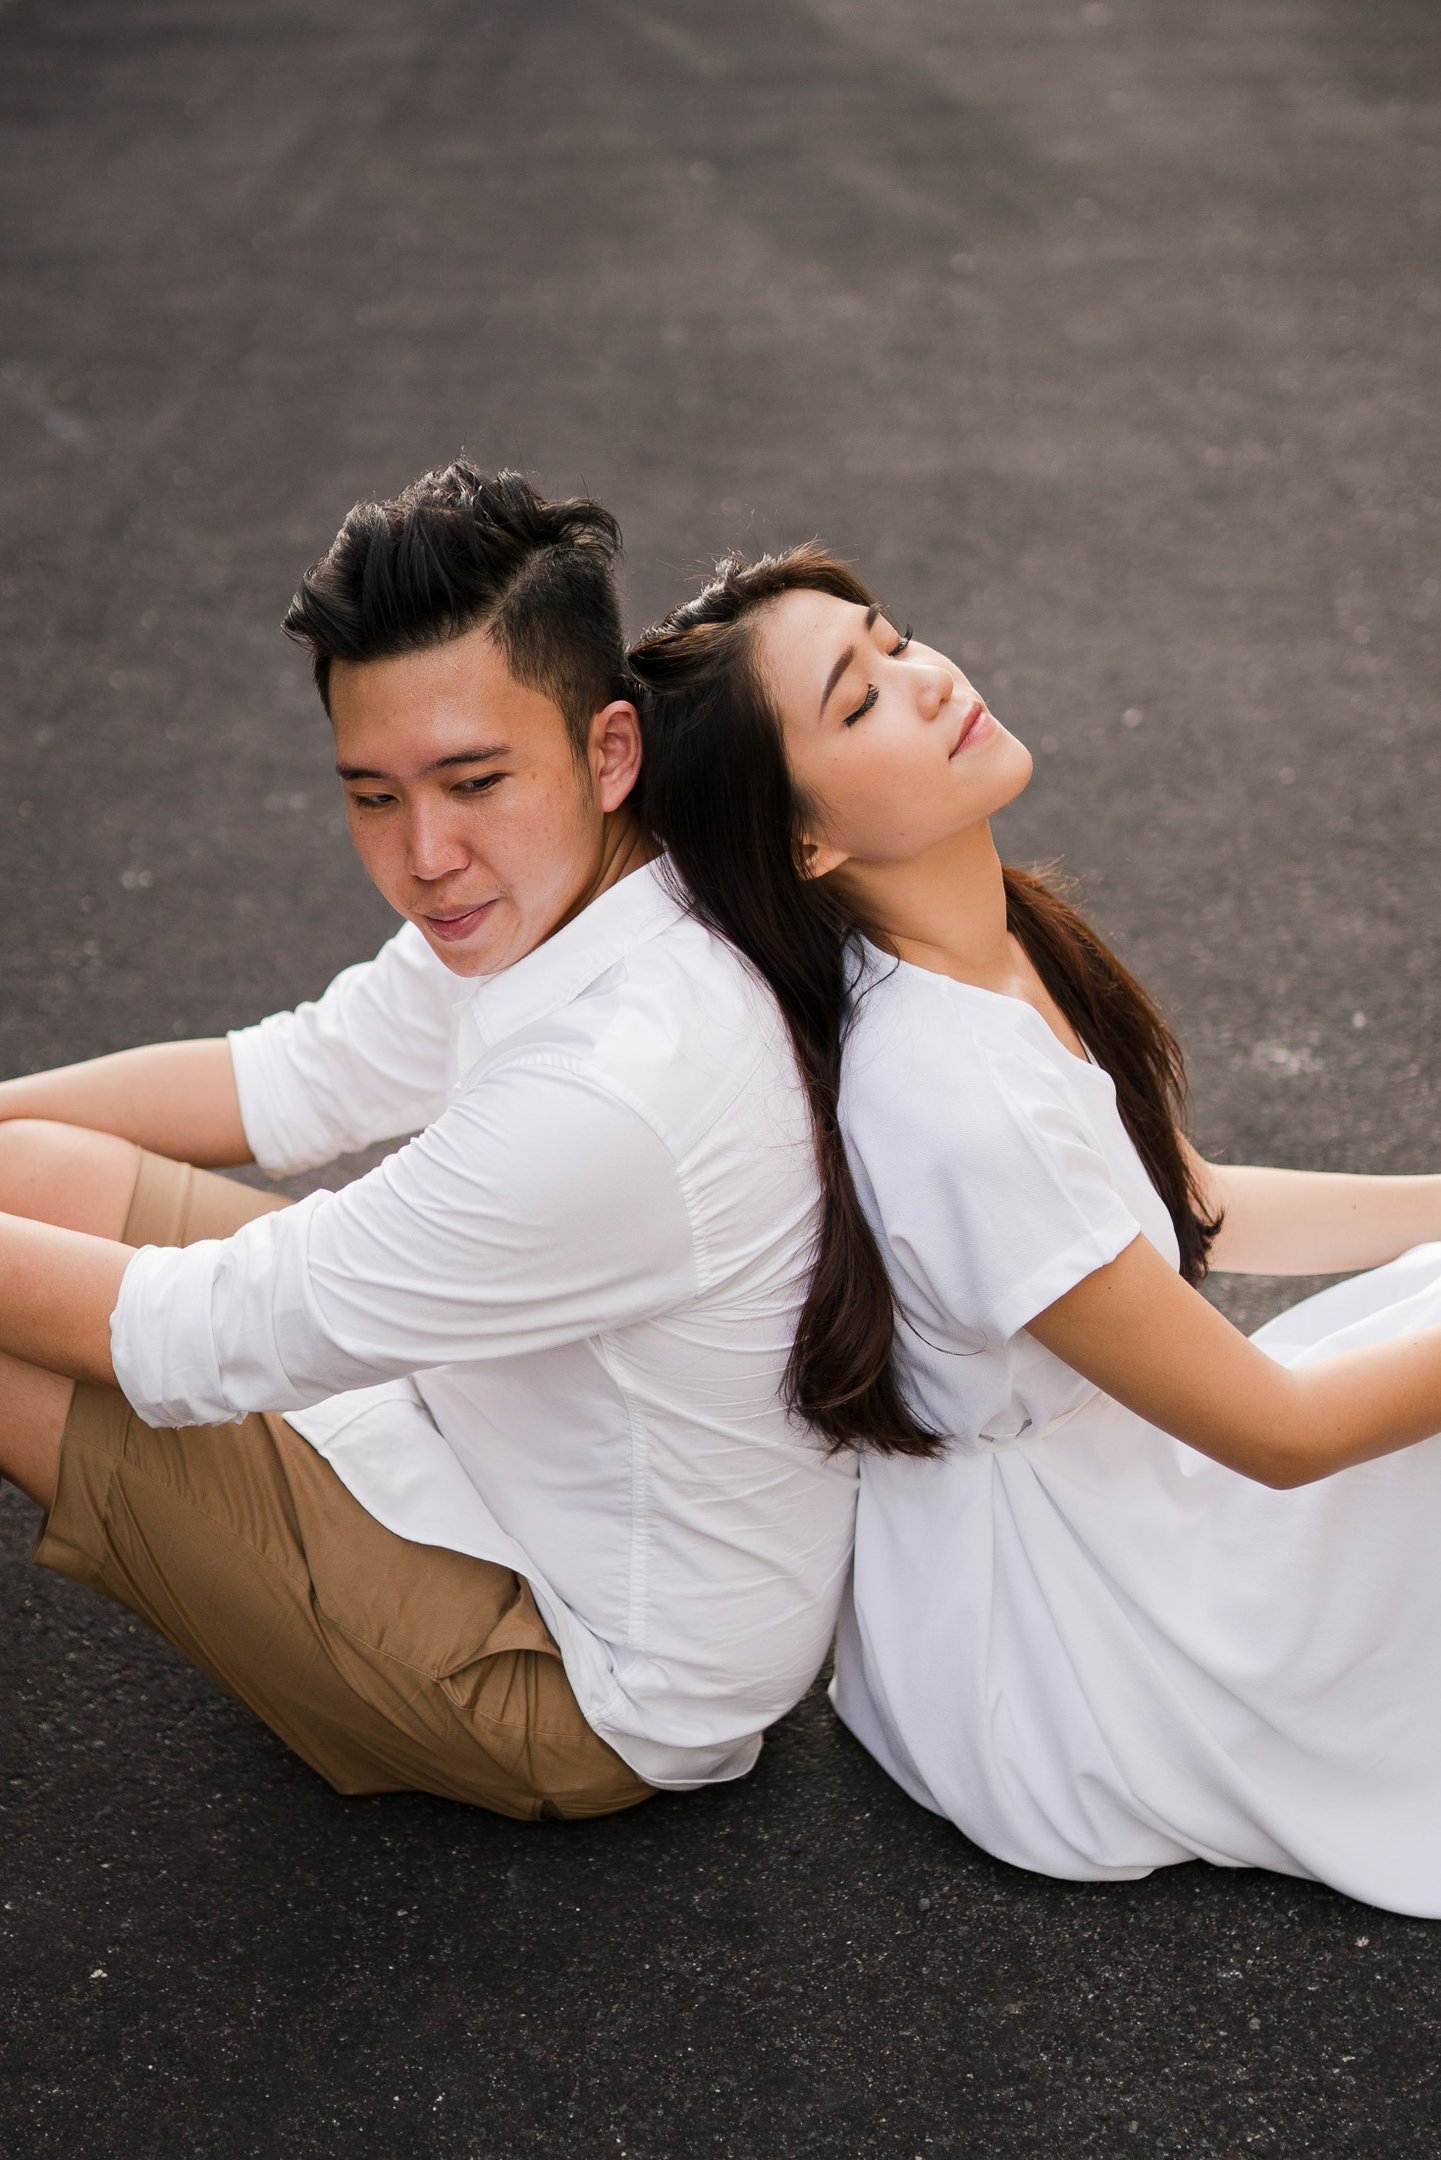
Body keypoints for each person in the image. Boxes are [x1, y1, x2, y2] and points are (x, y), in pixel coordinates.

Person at [0, 464, 860, 1821]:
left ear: (610, 750)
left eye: (473, 782)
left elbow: (195, 1337)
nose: (425, 856)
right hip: (462, 1429)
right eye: (373, 796)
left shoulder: (620, 1091)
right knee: (31, 1172)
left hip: (578, 1673)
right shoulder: (571, 886)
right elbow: (295, 1073)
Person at [628, 544, 1441, 1916]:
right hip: (1085, 1652)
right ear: (803, 843)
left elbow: (1185, 1201)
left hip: (1125, 1513)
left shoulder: (985, 945)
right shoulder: (952, 1097)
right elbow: (1280, 1435)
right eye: (856, 700)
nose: (926, 679)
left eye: (894, 641)